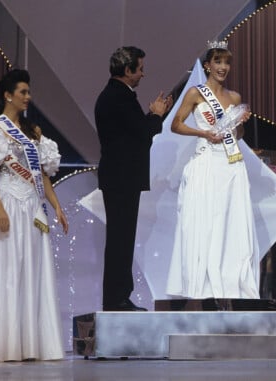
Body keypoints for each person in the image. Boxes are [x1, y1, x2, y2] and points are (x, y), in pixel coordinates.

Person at [0, 69, 69, 362]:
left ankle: (32, 343)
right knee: (7, 270)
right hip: (8, 201)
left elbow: (43, 176)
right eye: (23, 92)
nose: (28, 97)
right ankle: (4, 343)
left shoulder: (32, 131)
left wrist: (57, 206)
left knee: (33, 270)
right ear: (8, 95)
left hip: (32, 207)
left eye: (29, 92)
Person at [166, 41, 260, 299]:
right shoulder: (196, 93)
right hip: (207, 163)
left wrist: (240, 125)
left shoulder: (235, 98)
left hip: (231, 165)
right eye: (218, 62)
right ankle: (203, 285)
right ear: (207, 65)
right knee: (207, 222)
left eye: (227, 62)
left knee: (230, 222)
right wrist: (204, 133)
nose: (223, 67)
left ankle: (231, 282)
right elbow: (176, 125)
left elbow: (237, 136)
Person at [95, 46, 172, 311]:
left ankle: (119, 298)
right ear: (127, 70)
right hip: (121, 179)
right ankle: (117, 300)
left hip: (119, 179)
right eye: (140, 68)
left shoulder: (115, 95)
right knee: (120, 241)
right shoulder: (119, 97)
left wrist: (151, 115)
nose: (143, 74)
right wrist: (156, 114)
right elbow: (142, 132)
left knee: (121, 240)